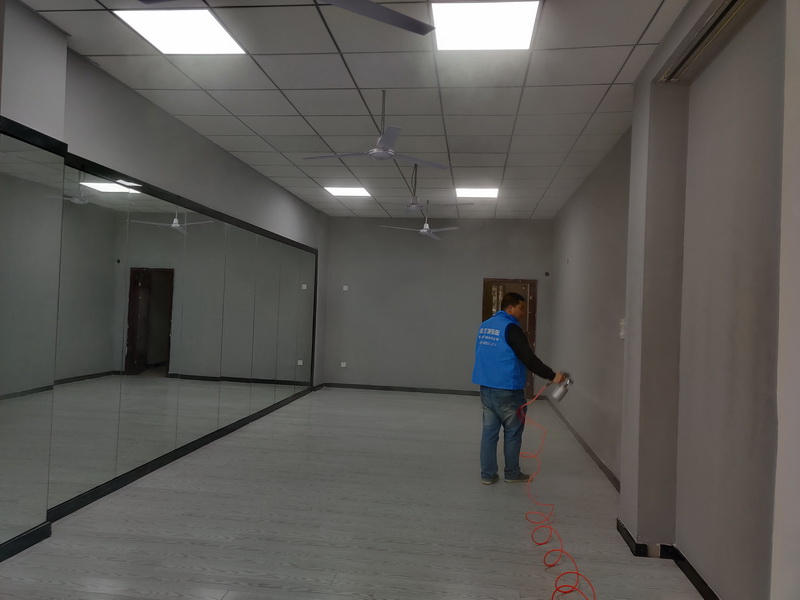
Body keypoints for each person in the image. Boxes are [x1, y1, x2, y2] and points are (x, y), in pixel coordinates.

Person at [472, 292, 565, 485]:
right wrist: (552, 375)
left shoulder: (485, 326)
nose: (523, 313)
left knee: (489, 433)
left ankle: (487, 475)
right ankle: (512, 473)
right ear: (510, 308)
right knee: (513, 433)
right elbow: (528, 358)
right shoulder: (511, 329)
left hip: (486, 388)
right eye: (521, 308)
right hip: (508, 390)